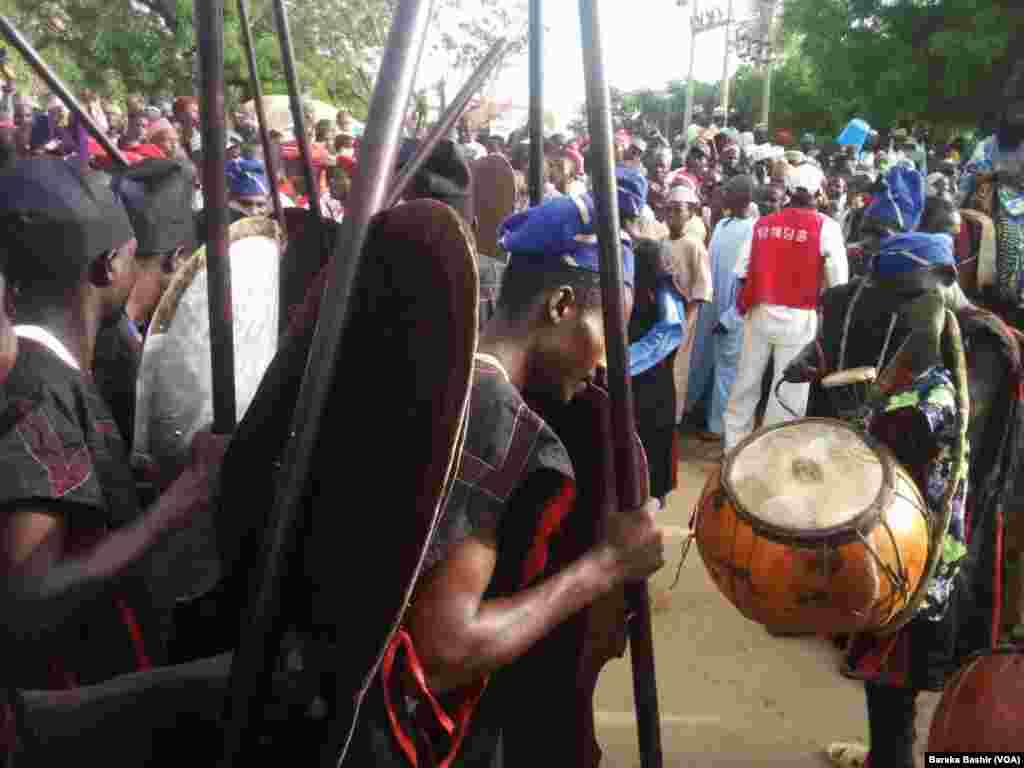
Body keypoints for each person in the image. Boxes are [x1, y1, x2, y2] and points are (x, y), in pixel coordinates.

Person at [0, 159, 228, 694]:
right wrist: (177, 506)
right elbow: (26, 600)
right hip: (60, 704)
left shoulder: (57, 374)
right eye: (131, 253)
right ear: (107, 267)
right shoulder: (37, 393)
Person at [723, 163, 848, 450]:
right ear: (818, 191)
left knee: (745, 383)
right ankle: (773, 453)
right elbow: (838, 284)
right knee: (789, 389)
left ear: (789, 190)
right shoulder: (826, 227)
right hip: (799, 317)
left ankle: (733, 448)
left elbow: (741, 271)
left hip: (759, 312)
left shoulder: (763, 223)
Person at [694, 175, 757, 442]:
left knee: (727, 370)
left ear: (743, 198)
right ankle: (695, 410)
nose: (723, 196)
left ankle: (718, 427)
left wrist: (732, 316)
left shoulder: (753, 230)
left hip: (733, 310)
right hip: (712, 305)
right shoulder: (722, 225)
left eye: (728, 192)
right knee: (703, 359)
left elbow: (749, 278)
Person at [629, 237, 687, 508]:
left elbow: (668, 335)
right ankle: (650, 495)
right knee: (649, 438)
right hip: (651, 383)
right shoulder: (656, 292)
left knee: (648, 437)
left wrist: (623, 362)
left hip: (647, 382)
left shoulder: (663, 294)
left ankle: (650, 495)